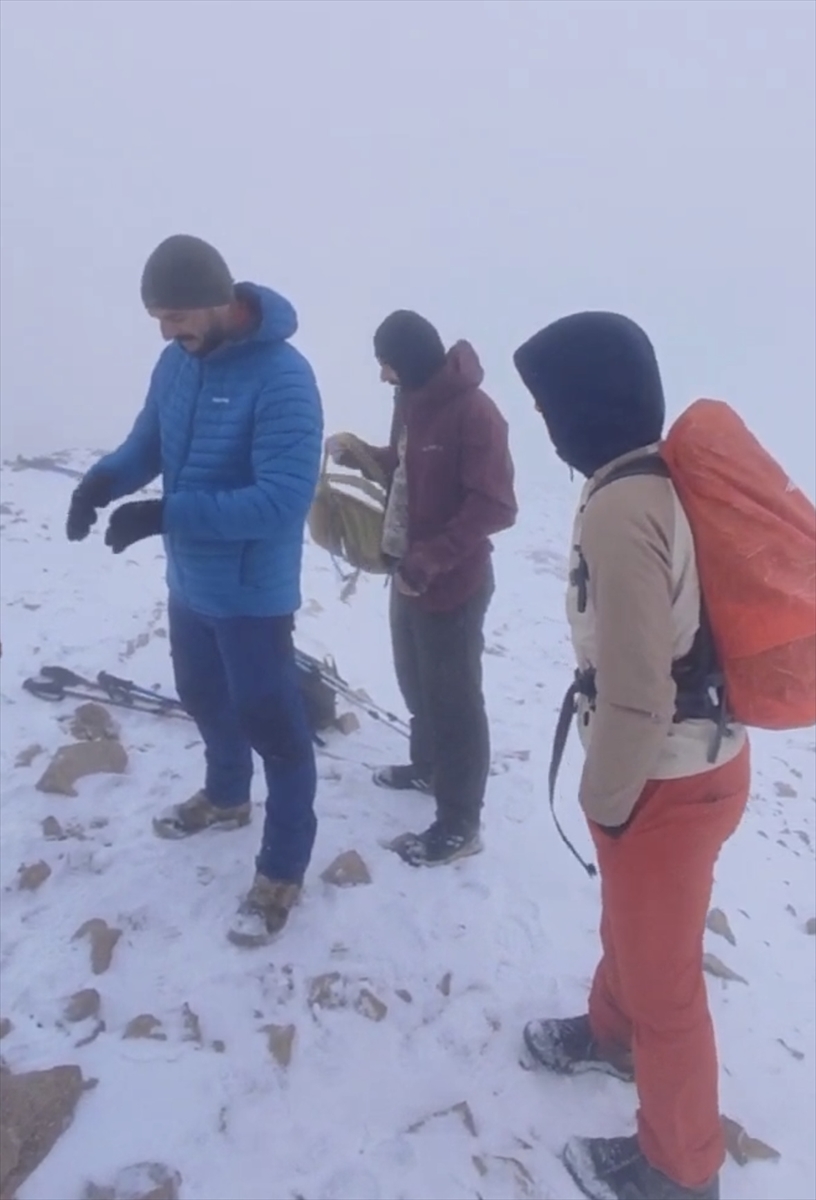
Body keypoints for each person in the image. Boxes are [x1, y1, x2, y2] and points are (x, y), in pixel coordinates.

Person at [513, 312, 749, 1200]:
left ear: (586, 404)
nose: (545, 424)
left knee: (668, 984)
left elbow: (641, 691)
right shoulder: (651, 479)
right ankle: (610, 1036)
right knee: (636, 931)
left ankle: (680, 1170)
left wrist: (604, 795)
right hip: (698, 762)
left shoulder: (622, 506)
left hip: (667, 775)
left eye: (547, 405)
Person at [66, 234, 323, 947]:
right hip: (189, 583)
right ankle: (226, 795)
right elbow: (149, 442)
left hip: (251, 591)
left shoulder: (283, 377)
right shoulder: (174, 364)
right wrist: (103, 482)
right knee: (205, 699)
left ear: (220, 302)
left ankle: (281, 870)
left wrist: (166, 513)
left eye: (177, 315)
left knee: (275, 726)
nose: (166, 330)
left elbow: (281, 498)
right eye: (157, 316)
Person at [328, 311, 517, 866]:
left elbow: (495, 505)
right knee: (415, 681)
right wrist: (364, 455)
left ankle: (461, 822)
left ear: (408, 359)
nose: (383, 375)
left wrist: (433, 558)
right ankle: (429, 767)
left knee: (456, 699)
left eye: (387, 364)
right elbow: (406, 465)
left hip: (453, 581)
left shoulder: (476, 414)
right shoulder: (411, 400)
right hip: (406, 571)